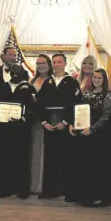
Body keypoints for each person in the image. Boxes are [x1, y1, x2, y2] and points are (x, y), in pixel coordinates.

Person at [36, 53, 82, 200]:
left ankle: (69, 192)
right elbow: (40, 104)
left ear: (64, 63)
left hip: (65, 127)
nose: (56, 64)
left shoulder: (72, 82)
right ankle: (50, 190)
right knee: (50, 159)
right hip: (49, 127)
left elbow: (75, 105)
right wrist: (44, 122)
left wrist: (66, 122)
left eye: (59, 62)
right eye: (54, 62)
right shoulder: (47, 82)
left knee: (67, 159)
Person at [69, 68, 111, 207]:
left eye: (99, 78)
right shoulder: (87, 94)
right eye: (94, 77)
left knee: (99, 167)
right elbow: (80, 112)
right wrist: (73, 125)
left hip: (100, 136)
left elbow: (106, 117)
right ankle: (86, 196)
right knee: (86, 166)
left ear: (104, 80)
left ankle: (101, 196)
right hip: (86, 136)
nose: (96, 80)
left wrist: (92, 129)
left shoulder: (108, 95)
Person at [0, 63, 37, 199]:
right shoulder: (2, 87)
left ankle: (22, 190)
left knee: (21, 160)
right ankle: (4, 188)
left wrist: (24, 119)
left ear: (23, 71)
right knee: (4, 159)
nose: (15, 72)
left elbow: (34, 109)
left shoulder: (29, 88)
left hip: (21, 130)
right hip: (4, 130)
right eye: (12, 70)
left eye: (18, 70)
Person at [29, 54, 53, 194]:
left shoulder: (52, 81)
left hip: (48, 121)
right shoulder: (32, 81)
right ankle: (33, 185)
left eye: (43, 63)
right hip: (34, 122)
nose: (40, 65)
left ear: (48, 65)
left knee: (46, 151)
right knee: (34, 150)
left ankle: (43, 186)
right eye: (38, 63)